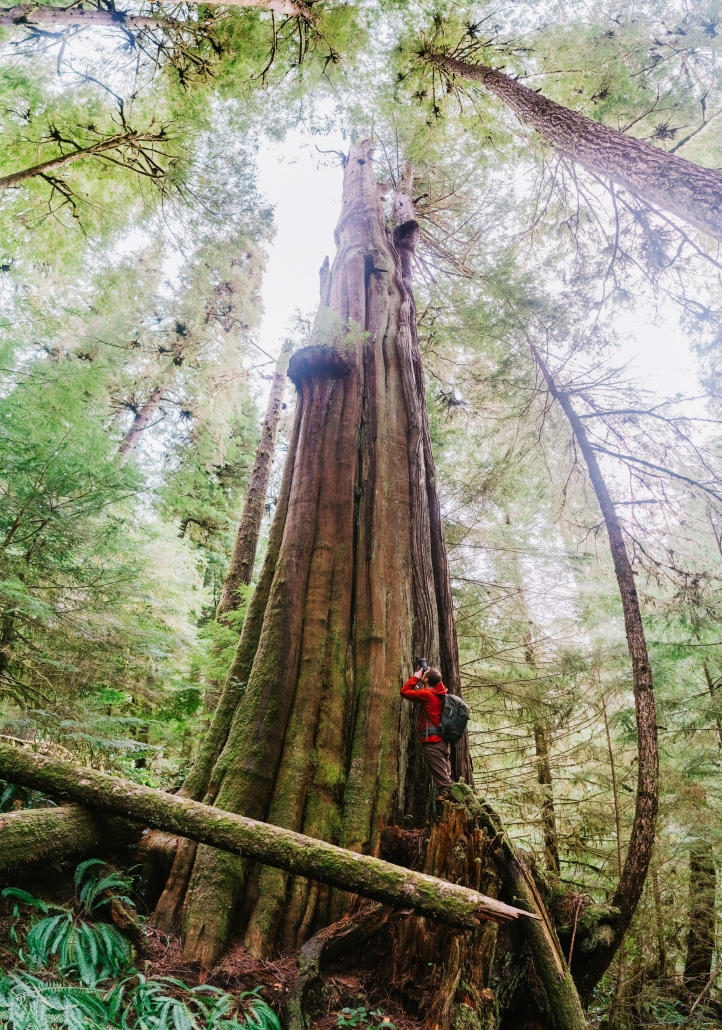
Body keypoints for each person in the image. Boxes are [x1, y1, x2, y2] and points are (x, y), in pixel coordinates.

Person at [400, 665, 452, 800]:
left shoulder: (427, 695)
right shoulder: (440, 694)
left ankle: (448, 801)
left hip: (433, 743)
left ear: (427, 679)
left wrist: (416, 677)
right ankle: (450, 799)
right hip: (444, 743)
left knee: (444, 782)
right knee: (447, 776)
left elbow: (404, 692)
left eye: (425, 675)